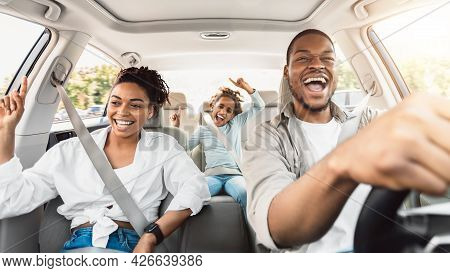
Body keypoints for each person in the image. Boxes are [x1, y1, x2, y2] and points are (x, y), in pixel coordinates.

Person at [243, 29, 450, 252]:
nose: (317, 64)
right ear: (287, 71)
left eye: (328, 59)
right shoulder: (267, 136)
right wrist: (343, 163)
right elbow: (278, 226)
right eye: (303, 58)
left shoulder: (368, 121)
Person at [0, 67, 210, 253]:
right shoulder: (68, 151)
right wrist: (6, 132)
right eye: (115, 102)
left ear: (151, 111)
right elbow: (10, 200)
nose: (122, 111)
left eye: (135, 105)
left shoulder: (163, 148)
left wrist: (151, 236)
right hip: (77, 247)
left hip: (132, 244)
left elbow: (196, 187)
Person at [170, 78, 265, 214]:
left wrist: (247, 88)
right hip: (212, 177)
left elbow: (259, 106)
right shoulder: (203, 130)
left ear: (233, 115)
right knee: (192, 194)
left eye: (229, 110)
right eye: (220, 106)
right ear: (212, 106)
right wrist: (176, 128)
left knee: (245, 193)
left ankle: (253, 232)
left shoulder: (236, 124)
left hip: (234, 176)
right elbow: (183, 149)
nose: (223, 112)